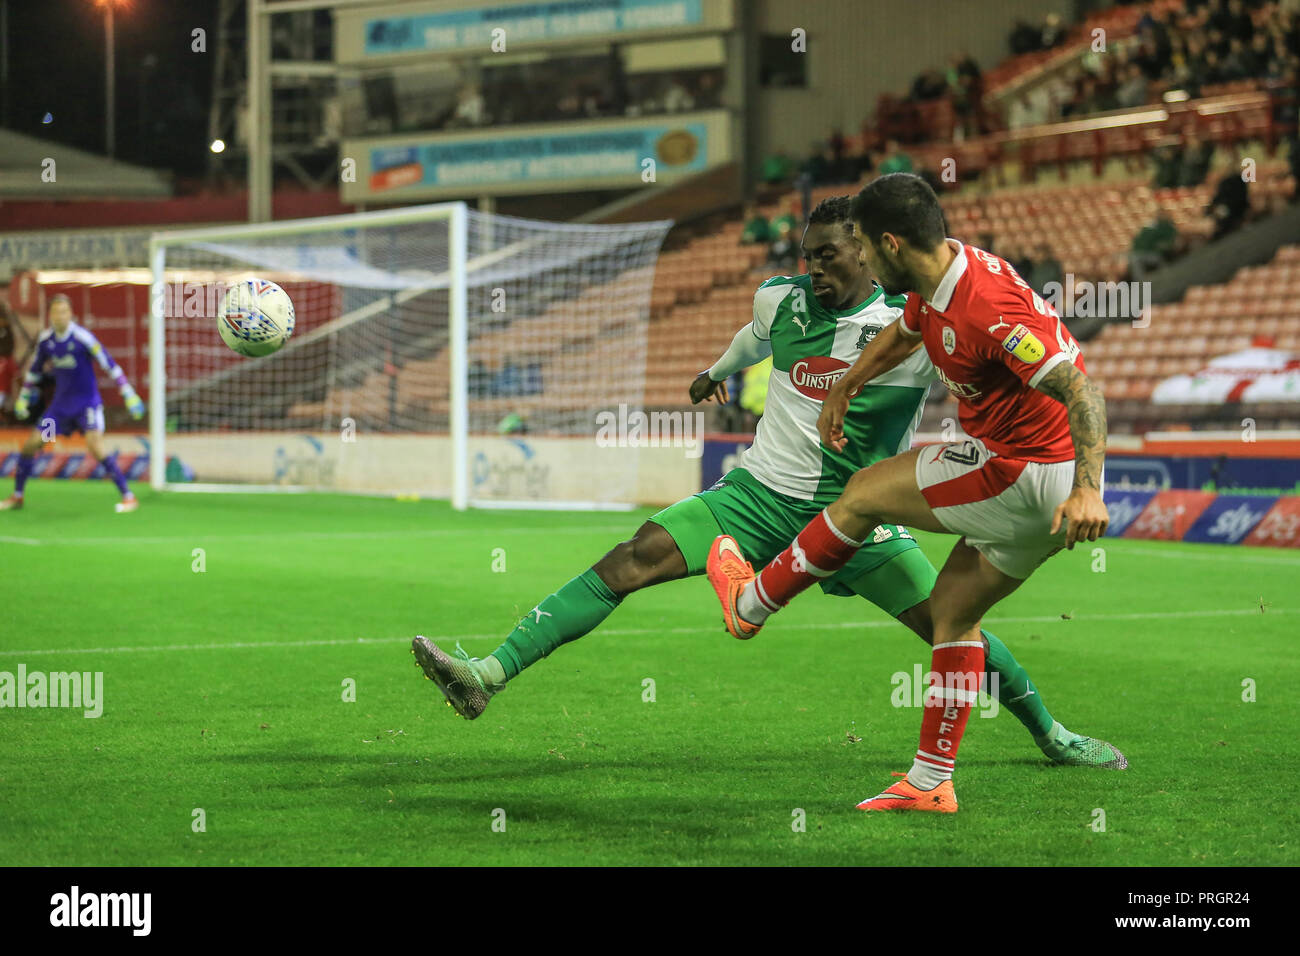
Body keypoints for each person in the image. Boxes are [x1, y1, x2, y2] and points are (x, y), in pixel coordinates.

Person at [410, 196, 1123, 776]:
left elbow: (1002, 369)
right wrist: (717, 370)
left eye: (831, 255)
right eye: (807, 255)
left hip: (862, 520)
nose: (813, 268)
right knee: (630, 558)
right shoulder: (779, 302)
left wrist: (1062, 470)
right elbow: (753, 342)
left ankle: (1050, 732)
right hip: (755, 496)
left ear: (873, 252)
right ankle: (488, 675)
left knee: (948, 621)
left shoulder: (920, 321)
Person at [705, 174, 1117, 813]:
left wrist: (1089, 489)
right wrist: (845, 385)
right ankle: (929, 784)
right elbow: (905, 331)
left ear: (891, 243)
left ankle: (752, 603)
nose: (861, 259)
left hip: (1023, 470)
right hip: (1033, 490)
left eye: (864, 247)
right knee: (953, 615)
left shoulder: (988, 306)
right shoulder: (940, 278)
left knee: (864, 491)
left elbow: (1081, 390)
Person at [2, 295, 144, 512]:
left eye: (64, 312)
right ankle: (18, 496)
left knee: (94, 447)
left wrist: (128, 393)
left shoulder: (82, 338)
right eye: (56, 312)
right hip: (59, 411)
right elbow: (34, 372)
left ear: (71, 314)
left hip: (87, 406)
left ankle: (128, 496)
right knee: (33, 444)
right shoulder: (46, 341)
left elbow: (109, 364)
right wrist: (23, 398)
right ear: (50, 316)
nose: (60, 316)